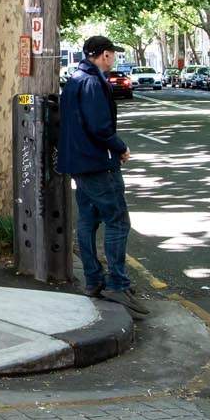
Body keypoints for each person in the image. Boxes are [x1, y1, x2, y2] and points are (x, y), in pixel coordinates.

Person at [59, 35, 148, 317]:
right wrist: (120, 148)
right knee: (118, 220)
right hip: (97, 163)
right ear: (104, 55)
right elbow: (100, 127)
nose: (115, 59)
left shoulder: (74, 80)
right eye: (113, 54)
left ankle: (94, 280)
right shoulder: (92, 82)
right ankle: (118, 284)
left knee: (88, 221)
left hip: (78, 162)